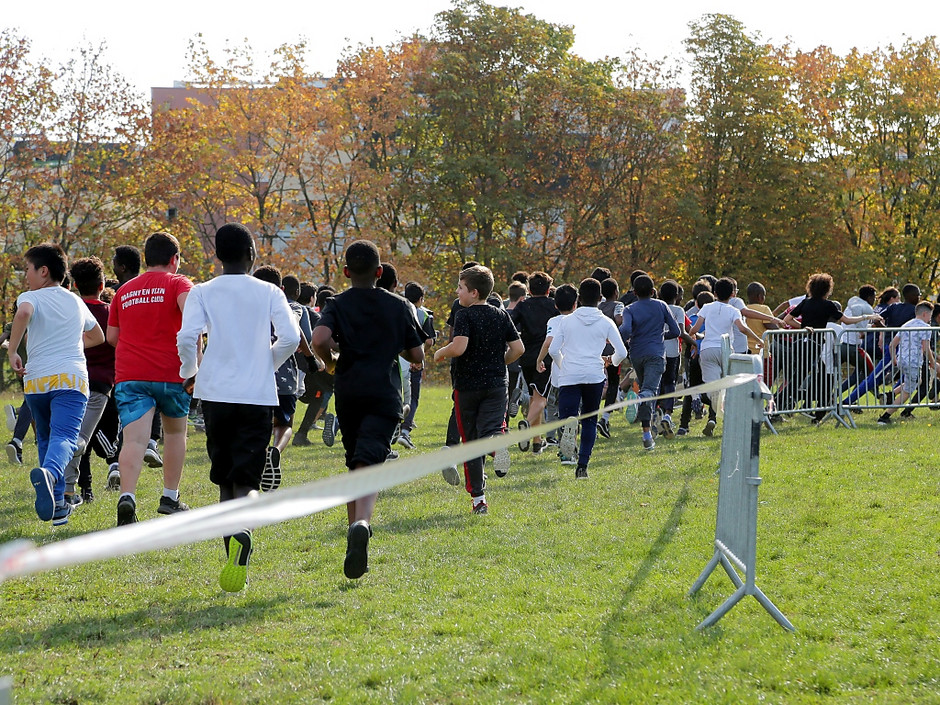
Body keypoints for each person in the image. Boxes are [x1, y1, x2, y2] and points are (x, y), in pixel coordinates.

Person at [178, 222, 301, 592]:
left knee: (223, 475)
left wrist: (190, 371)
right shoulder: (269, 291)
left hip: (215, 392)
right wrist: (267, 363)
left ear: (217, 256)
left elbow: (186, 336)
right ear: (252, 255)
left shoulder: (202, 291)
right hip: (257, 395)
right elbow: (292, 336)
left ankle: (233, 545)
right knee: (248, 476)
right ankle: (244, 527)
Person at [312, 240, 425, 579]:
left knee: (356, 463)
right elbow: (417, 354)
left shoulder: (337, 303)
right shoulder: (400, 305)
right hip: (384, 393)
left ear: (346, 272)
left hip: (349, 391)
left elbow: (318, 338)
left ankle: (353, 532)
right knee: (369, 465)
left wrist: (330, 359)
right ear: (380, 272)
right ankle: (361, 523)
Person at [8, 243, 104, 526]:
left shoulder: (30, 297)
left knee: (46, 440)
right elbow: (97, 336)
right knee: (65, 438)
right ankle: (50, 475)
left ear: (44, 271)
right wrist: (73, 343)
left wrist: (13, 350)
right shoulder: (76, 301)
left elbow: (23, 313)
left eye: (28, 269)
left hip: (36, 382)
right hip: (70, 380)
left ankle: (59, 507)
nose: (26, 276)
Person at [107, 232, 193, 526]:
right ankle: (170, 497)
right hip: (172, 372)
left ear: (146, 259)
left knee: (134, 439)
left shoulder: (124, 290)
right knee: (174, 434)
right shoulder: (179, 283)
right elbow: (192, 318)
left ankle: (127, 497)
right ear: (174, 259)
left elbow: (112, 337)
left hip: (131, 374)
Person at [434, 265, 522, 510]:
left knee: (471, 442)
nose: (457, 292)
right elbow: (518, 349)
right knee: (492, 430)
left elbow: (459, 347)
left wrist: (441, 352)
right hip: (496, 384)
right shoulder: (500, 314)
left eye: (460, 287)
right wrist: (497, 362)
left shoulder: (465, 315)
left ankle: (479, 500)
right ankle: (497, 446)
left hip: (468, 387)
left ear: (473, 292)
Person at [550, 278, 627, 477]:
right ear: (600, 298)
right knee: (591, 420)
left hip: (570, 374)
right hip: (594, 374)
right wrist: (610, 360)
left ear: (579, 298)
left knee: (567, 414)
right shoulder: (606, 322)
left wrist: (563, 364)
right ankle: (583, 465)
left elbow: (552, 349)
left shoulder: (567, 321)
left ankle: (569, 423)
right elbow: (622, 352)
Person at [251, 267, 314, 490]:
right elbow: (302, 336)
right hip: (286, 376)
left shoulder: (250, 310)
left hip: (255, 375)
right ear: (282, 288)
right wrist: (312, 360)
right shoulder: (294, 307)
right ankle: (276, 450)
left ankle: (258, 463)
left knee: (260, 424)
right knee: (285, 423)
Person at [61, 256, 116, 507]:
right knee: (81, 438)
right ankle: (74, 487)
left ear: (73, 286)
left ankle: (73, 489)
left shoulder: (68, 313)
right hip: (101, 385)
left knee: (76, 434)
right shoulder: (109, 313)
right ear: (102, 285)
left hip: (70, 381)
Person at [689, 278, 765, 436]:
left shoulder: (707, 307)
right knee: (728, 387)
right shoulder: (733, 310)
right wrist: (758, 340)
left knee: (712, 389)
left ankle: (701, 399)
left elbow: (695, 329)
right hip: (726, 350)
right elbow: (742, 328)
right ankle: (723, 418)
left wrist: (693, 338)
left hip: (708, 349)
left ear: (714, 293)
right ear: (732, 294)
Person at [619, 275, 681, 450]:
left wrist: (622, 339)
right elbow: (676, 330)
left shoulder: (629, 309)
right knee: (649, 392)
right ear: (654, 291)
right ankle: (641, 405)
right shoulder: (661, 306)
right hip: (655, 354)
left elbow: (627, 330)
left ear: (634, 292)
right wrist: (660, 336)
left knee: (648, 391)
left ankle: (647, 436)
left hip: (637, 353)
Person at [509, 271, 558, 453]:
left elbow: (511, 323)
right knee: (542, 399)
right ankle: (526, 426)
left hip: (526, 357)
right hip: (544, 358)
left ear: (528, 289)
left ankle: (537, 442)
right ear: (548, 289)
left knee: (533, 398)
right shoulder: (554, 306)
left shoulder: (522, 306)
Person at [535, 284, 578, 465]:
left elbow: (549, 342)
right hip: (579, 371)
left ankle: (565, 449)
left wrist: (539, 360)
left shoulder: (554, 321)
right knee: (576, 411)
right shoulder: (580, 319)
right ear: (576, 303)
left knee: (562, 411)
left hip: (560, 374)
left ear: (555, 305)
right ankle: (572, 446)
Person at [877, 301, 938, 425]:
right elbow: (926, 348)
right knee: (908, 391)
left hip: (902, 360)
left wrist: (894, 359)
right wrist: (932, 362)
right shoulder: (925, 327)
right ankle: (885, 417)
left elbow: (892, 344)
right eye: (930, 317)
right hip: (913, 362)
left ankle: (891, 394)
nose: (930, 320)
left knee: (918, 381)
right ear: (925, 314)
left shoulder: (906, 325)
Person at [401, 281, 437, 448]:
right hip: (413, 362)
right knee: (413, 398)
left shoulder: (398, 309)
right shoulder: (423, 314)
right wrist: (420, 357)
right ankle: (404, 432)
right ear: (421, 298)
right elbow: (429, 340)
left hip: (396, 361)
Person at [597, 277, 624, 439]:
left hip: (597, 349)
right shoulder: (618, 305)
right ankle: (605, 418)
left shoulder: (599, 306)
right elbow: (619, 318)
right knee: (613, 383)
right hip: (612, 350)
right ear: (616, 292)